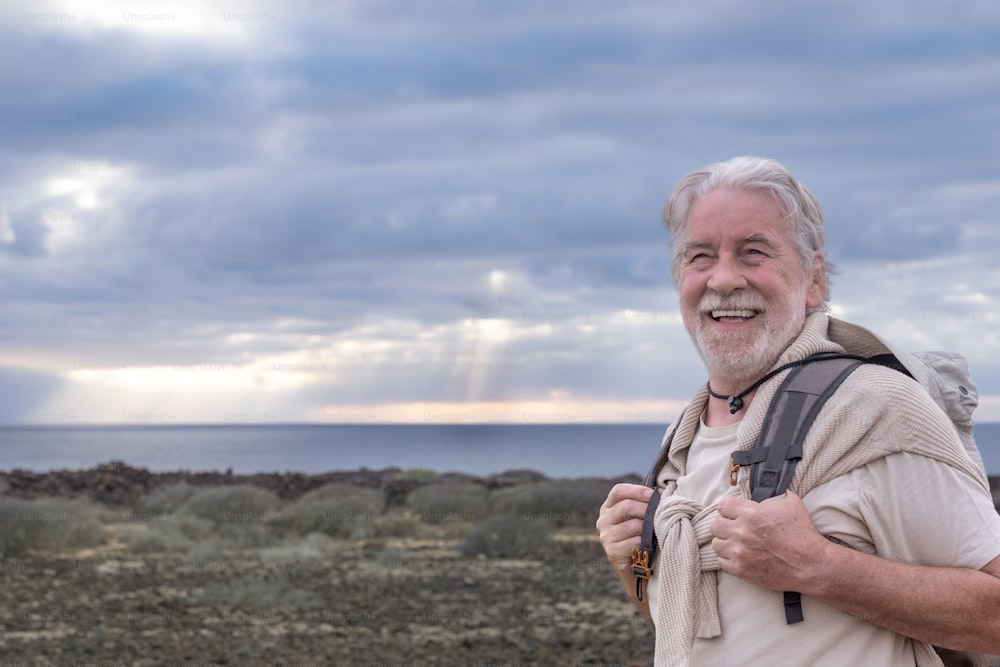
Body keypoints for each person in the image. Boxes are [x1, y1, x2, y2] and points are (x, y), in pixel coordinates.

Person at [596, 156, 1000, 666]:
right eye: (700, 257)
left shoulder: (874, 407)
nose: (723, 279)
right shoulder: (682, 437)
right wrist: (631, 563)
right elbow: (693, 626)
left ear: (814, 279)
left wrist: (820, 567)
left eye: (753, 252)